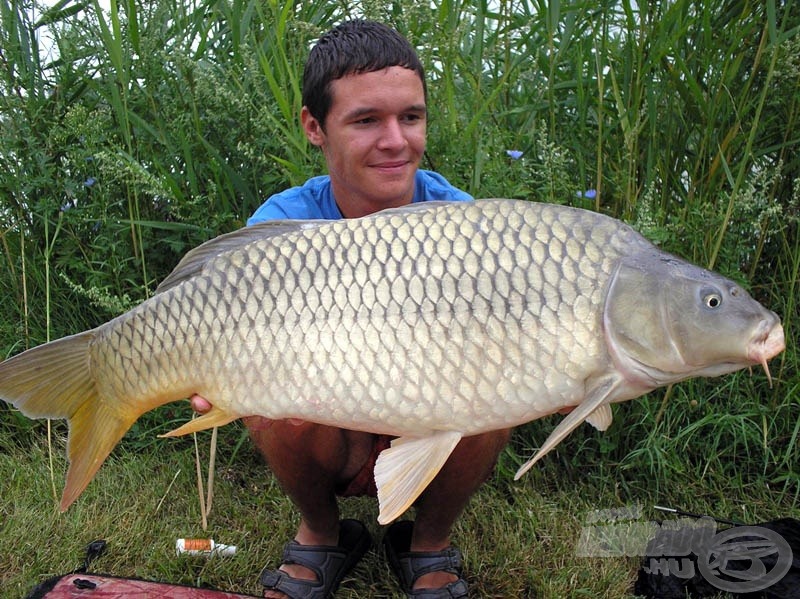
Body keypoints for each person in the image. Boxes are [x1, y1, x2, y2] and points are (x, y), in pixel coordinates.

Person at [190, 20, 512, 599]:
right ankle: (322, 530)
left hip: (430, 414)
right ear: (315, 127)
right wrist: (217, 372)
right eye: (367, 120)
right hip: (330, 425)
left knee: (494, 388)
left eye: (410, 117)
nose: (396, 140)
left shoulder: (465, 224)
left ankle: (430, 544)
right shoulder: (281, 227)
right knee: (264, 401)